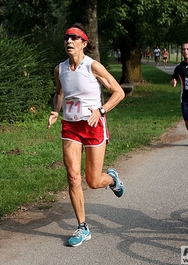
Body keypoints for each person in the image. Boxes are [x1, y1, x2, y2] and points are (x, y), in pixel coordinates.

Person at [47, 23, 125, 247]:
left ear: (84, 43)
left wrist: (101, 110)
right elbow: (60, 93)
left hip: (93, 126)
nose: (69, 41)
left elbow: (118, 92)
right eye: (66, 38)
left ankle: (111, 179)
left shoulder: (93, 67)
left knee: (92, 181)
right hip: (71, 127)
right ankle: (82, 227)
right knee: (72, 176)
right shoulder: (59, 69)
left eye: (74, 38)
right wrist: (55, 110)